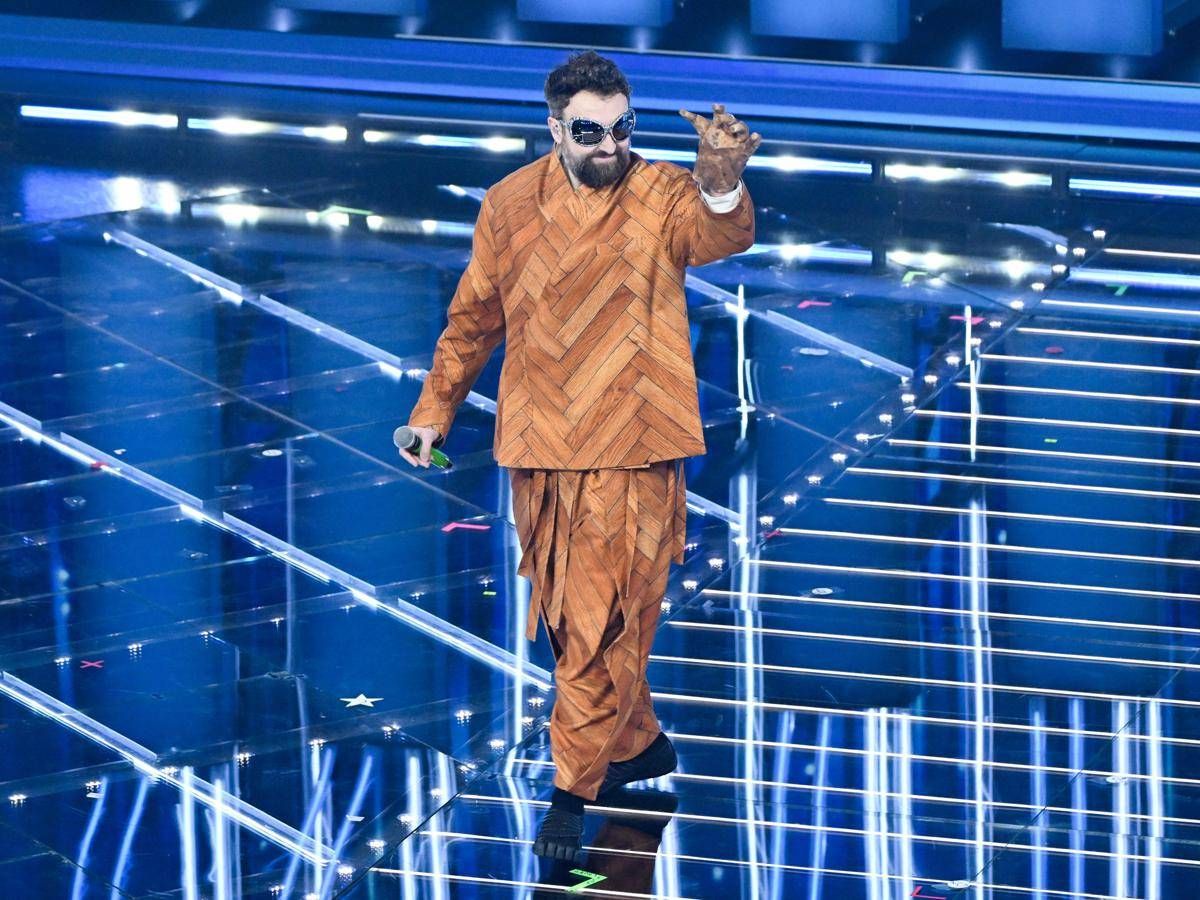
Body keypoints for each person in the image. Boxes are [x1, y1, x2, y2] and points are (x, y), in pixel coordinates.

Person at [400, 48, 760, 861]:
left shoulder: (663, 192)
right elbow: (474, 318)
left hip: (636, 446)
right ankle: (637, 744)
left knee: (602, 623)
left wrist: (720, 179)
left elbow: (719, 234)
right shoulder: (509, 203)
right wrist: (433, 412)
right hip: (542, 448)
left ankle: (571, 791)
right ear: (555, 128)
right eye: (591, 131)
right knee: (575, 622)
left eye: (622, 128)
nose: (611, 145)